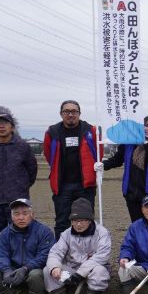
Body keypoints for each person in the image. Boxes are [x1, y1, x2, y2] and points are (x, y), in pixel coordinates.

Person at [0, 113, 38, 252]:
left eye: (6, 123)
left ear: (12, 127)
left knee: (20, 232)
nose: (2, 126)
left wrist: (21, 185)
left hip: (17, 199)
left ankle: (20, 261)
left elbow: (32, 170)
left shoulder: (22, 146)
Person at [43, 198, 112, 294]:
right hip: (72, 269)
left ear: (90, 220)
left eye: (82, 220)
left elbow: (102, 255)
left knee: (100, 271)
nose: (78, 224)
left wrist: (81, 273)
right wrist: (55, 267)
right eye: (75, 220)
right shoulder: (66, 234)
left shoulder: (102, 233)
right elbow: (55, 253)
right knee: (47, 270)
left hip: (93, 269)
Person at [43, 100, 101, 239]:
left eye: (74, 111)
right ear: (61, 114)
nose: (70, 114)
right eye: (66, 111)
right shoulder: (52, 132)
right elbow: (48, 154)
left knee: (86, 219)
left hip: (85, 185)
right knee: (62, 221)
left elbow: (99, 152)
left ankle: (88, 253)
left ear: (79, 113)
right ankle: (62, 253)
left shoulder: (90, 130)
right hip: (62, 186)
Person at [0, 199, 54, 294]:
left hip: (33, 270)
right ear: (12, 217)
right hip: (13, 270)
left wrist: (25, 268)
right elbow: (0, 255)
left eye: (25, 213)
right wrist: (6, 270)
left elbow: (45, 255)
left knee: (36, 275)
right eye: (17, 214)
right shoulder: (4, 234)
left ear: (32, 215)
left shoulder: (44, 231)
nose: (21, 217)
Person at [97, 115, 148, 223]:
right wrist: (103, 164)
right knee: (136, 223)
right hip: (131, 191)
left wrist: (147, 145)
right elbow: (117, 160)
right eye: (146, 125)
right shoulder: (128, 144)